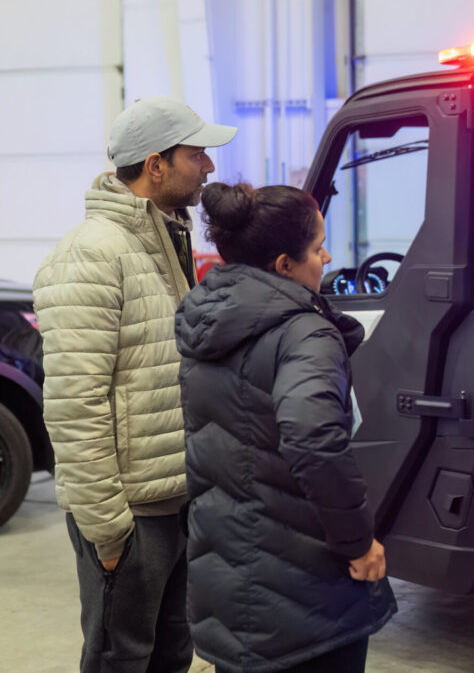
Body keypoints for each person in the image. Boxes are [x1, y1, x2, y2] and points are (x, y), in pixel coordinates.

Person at [33, 96, 236, 671]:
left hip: (175, 498)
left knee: (173, 652)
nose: (209, 167)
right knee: (120, 658)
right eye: (197, 154)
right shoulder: (91, 255)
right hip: (130, 512)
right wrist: (108, 526)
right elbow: (75, 404)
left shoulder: (163, 243)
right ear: (156, 165)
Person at [175, 182, 396, 672]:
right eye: (317, 248)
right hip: (301, 590)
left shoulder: (206, 318)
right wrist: (358, 542)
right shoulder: (304, 332)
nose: (327, 256)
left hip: (227, 569)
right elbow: (313, 438)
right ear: (283, 265)